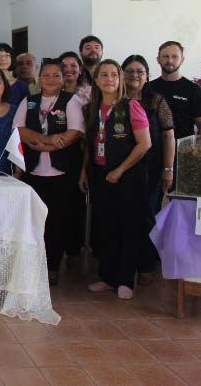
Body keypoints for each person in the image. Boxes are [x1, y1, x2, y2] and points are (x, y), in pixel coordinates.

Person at [79, 60, 151, 300]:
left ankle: (124, 280)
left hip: (127, 177)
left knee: (127, 228)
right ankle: (107, 278)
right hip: (100, 176)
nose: (109, 79)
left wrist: (120, 170)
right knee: (105, 228)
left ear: (120, 80)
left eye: (114, 75)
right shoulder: (91, 108)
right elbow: (90, 144)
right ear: (96, 80)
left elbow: (145, 144)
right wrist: (84, 171)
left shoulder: (130, 106)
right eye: (104, 75)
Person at [13, 59, 84, 285]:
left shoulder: (71, 101)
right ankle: (35, 265)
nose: (51, 79)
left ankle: (53, 266)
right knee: (35, 221)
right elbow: (19, 129)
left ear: (63, 79)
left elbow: (75, 132)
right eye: (46, 75)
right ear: (39, 77)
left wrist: (48, 146)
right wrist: (46, 140)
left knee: (58, 221)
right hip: (33, 172)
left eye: (56, 75)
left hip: (63, 172)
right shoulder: (29, 101)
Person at [123, 54, 175, 286]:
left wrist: (167, 168)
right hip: (119, 168)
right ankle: (121, 267)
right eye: (130, 71)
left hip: (149, 169)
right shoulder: (116, 98)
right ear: (123, 73)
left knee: (147, 217)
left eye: (140, 71)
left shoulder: (157, 100)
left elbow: (168, 135)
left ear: (146, 76)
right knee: (122, 218)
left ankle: (145, 266)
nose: (135, 75)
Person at [58, 50, 91, 259]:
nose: (69, 70)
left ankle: (74, 250)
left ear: (80, 70)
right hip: (52, 152)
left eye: (73, 66)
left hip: (79, 153)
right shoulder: (50, 90)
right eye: (64, 66)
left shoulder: (88, 93)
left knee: (76, 204)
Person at [150, 41, 201, 144]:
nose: (169, 60)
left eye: (174, 57)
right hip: (152, 152)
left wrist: (198, 156)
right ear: (158, 59)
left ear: (182, 60)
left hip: (182, 153)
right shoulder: (149, 88)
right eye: (165, 56)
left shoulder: (195, 91)